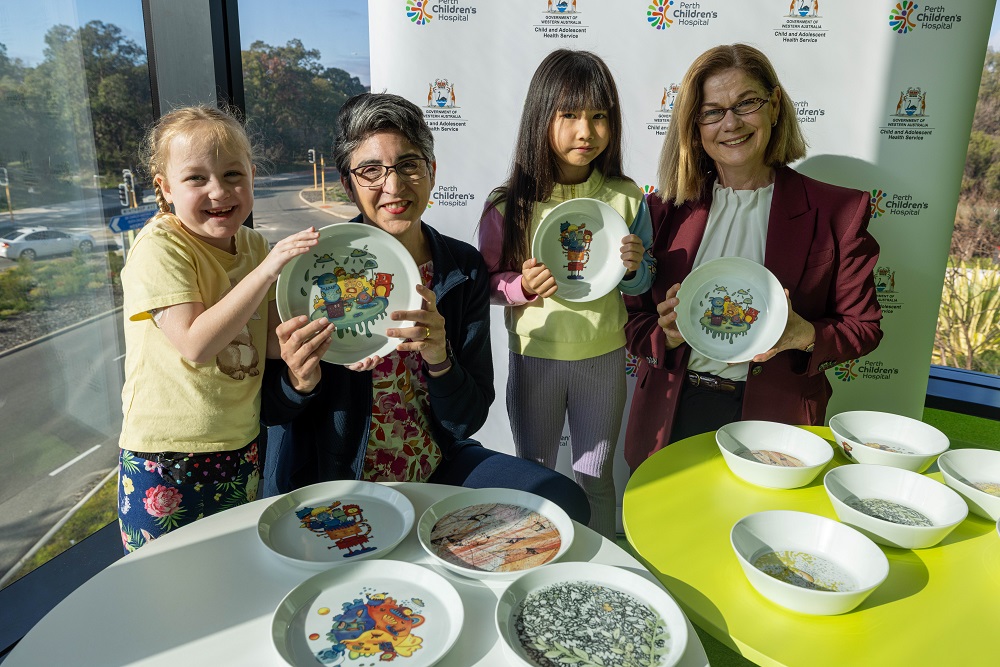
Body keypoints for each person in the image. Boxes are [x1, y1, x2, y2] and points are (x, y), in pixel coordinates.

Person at [263, 92, 590, 525]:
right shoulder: (312, 270)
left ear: (432, 172)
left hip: (435, 464)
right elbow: (271, 413)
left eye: (408, 165)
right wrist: (298, 381)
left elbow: (466, 420)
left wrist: (440, 360)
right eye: (371, 171)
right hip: (339, 475)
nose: (393, 187)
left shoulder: (462, 268)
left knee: (562, 501)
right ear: (347, 184)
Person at [623, 43, 883, 471]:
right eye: (712, 111)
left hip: (777, 421)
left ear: (775, 105)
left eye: (746, 103)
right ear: (694, 126)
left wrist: (803, 335)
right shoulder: (661, 210)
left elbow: (865, 328)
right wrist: (665, 334)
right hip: (672, 412)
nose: (730, 123)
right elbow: (632, 319)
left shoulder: (837, 211)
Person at [118, 105, 321, 552]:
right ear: (165, 189)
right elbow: (195, 343)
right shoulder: (159, 247)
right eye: (196, 178)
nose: (219, 191)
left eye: (233, 174)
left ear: (251, 176)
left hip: (241, 443)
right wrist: (268, 271)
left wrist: (326, 336)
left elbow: (267, 340)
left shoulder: (252, 244)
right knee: (166, 584)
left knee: (232, 568)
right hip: (166, 454)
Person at [477, 49, 654, 538]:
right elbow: (486, 282)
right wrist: (518, 287)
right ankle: (534, 562)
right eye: (570, 115)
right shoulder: (508, 203)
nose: (587, 131)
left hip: (604, 356)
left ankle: (600, 566)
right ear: (541, 117)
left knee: (595, 478)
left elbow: (642, 283)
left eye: (600, 117)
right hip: (535, 355)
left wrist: (637, 269)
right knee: (534, 472)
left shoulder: (627, 196)